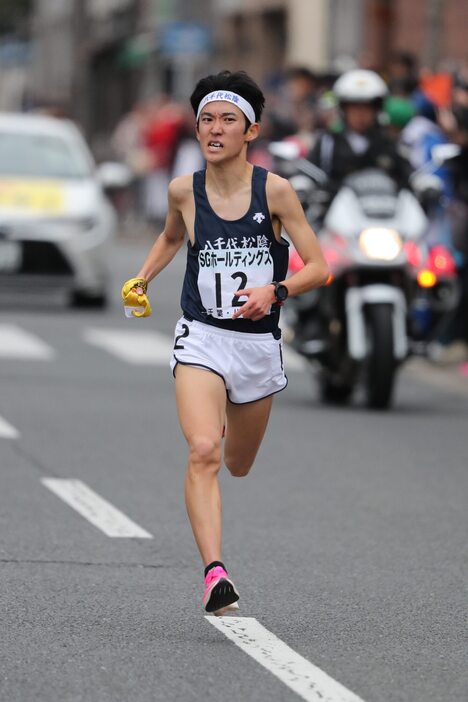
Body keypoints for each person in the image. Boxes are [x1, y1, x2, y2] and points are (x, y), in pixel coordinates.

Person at [121, 70, 329, 615]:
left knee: (237, 462)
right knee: (203, 450)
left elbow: (321, 268)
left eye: (227, 121)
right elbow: (170, 237)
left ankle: (218, 554)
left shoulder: (276, 192)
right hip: (203, 336)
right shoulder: (182, 191)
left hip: (257, 344)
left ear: (251, 130)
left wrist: (276, 289)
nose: (214, 130)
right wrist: (143, 278)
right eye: (206, 120)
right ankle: (215, 574)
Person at [308, 69, 412, 197]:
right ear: (343, 109)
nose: (360, 114)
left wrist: (424, 183)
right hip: (334, 214)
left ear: (377, 110)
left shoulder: (388, 145)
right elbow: (308, 171)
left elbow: (408, 177)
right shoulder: (327, 144)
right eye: (354, 107)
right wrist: (302, 182)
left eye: (367, 108)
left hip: (382, 213)